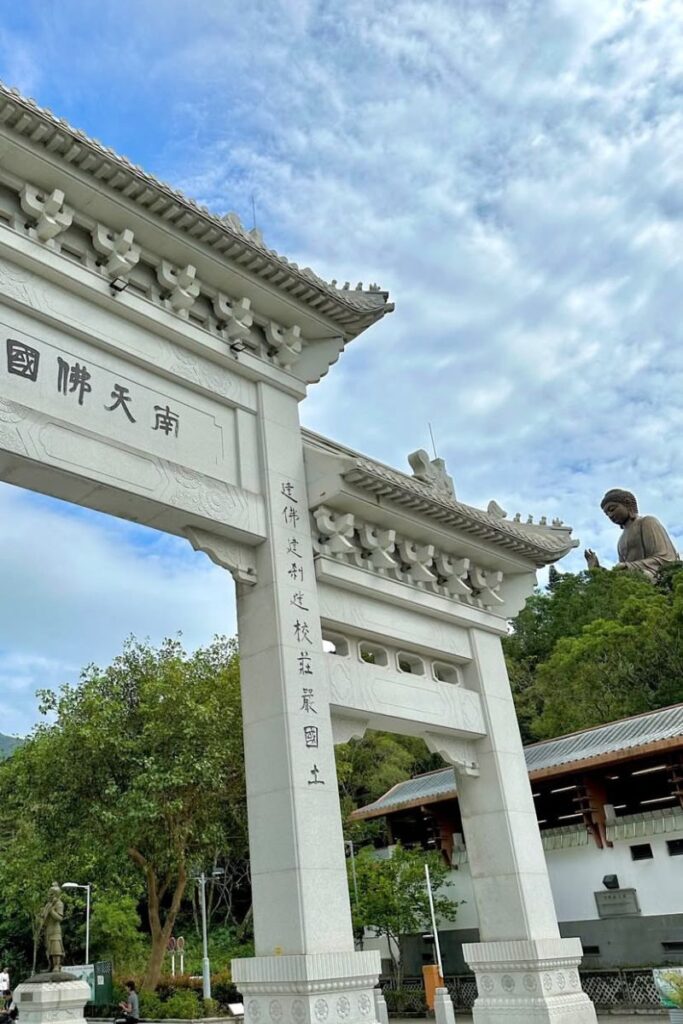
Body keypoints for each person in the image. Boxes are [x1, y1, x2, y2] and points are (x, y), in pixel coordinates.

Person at [584, 488, 678, 579]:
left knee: (639, 577)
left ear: (627, 503)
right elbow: (620, 574)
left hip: (654, 576)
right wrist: (598, 569)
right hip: (631, 580)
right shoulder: (620, 540)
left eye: (612, 509)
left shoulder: (647, 522)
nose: (610, 515)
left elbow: (667, 560)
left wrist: (628, 566)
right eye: (607, 514)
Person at [39, 883, 65, 973]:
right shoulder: (48, 904)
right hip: (48, 929)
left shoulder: (59, 904)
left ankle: (57, 965)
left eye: (51, 894)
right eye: (49, 894)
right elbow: (44, 917)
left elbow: (60, 918)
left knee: (56, 948)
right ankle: (50, 965)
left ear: (56, 895)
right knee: (49, 949)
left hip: (55, 929)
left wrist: (51, 911)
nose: (49, 896)